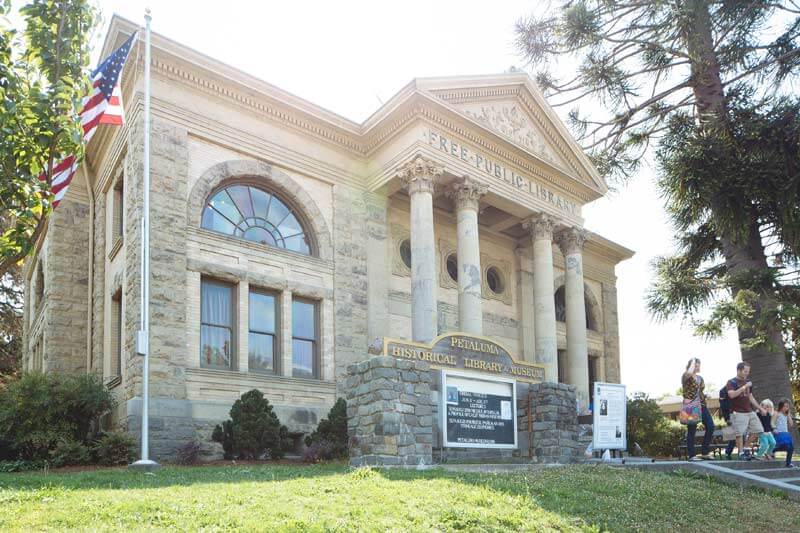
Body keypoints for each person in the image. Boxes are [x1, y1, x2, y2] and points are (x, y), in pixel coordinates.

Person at [726, 362, 766, 460]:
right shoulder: (731, 382)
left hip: (749, 411)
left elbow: (751, 397)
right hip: (737, 412)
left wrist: (760, 408)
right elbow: (731, 395)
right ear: (739, 370)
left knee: (758, 429)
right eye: (745, 371)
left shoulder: (748, 382)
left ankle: (745, 448)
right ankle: (740, 453)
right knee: (739, 433)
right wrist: (744, 387)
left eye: (748, 371)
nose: (747, 373)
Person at [682, 358, 714, 461]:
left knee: (710, 426)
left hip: (702, 405)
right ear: (691, 366)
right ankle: (692, 455)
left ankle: (704, 452)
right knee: (692, 430)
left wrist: (705, 395)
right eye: (695, 365)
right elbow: (688, 374)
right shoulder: (686, 376)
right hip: (691, 406)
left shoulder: (700, 378)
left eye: (698, 365)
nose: (698, 367)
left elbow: (699, 391)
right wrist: (692, 362)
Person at [773, 399, 795, 468]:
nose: (786, 408)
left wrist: (788, 415)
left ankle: (788, 463)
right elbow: (772, 423)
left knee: (791, 448)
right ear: (781, 406)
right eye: (784, 406)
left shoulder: (786, 415)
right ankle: (773, 450)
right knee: (785, 446)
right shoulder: (777, 414)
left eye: (787, 406)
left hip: (786, 433)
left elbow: (791, 424)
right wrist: (774, 429)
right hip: (779, 433)